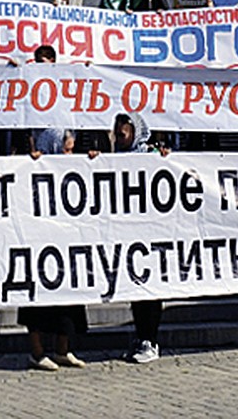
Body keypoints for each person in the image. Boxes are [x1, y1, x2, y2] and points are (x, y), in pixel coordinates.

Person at [19, 45, 87, 370]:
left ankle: (63, 346)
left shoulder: (65, 100)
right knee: (37, 277)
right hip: (37, 202)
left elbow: (73, 137)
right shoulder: (25, 100)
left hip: (65, 200)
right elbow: (19, 136)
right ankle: (36, 351)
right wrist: (29, 154)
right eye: (38, 66)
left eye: (47, 65)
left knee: (70, 276)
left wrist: (77, 151)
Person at [91, 113, 167, 364]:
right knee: (136, 288)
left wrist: (165, 158)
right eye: (117, 135)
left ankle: (151, 340)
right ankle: (141, 337)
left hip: (151, 234)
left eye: (123, 135)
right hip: (129, 235)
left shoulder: (152, 156)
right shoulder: (117, 159)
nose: (119, 140)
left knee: (150, 290)